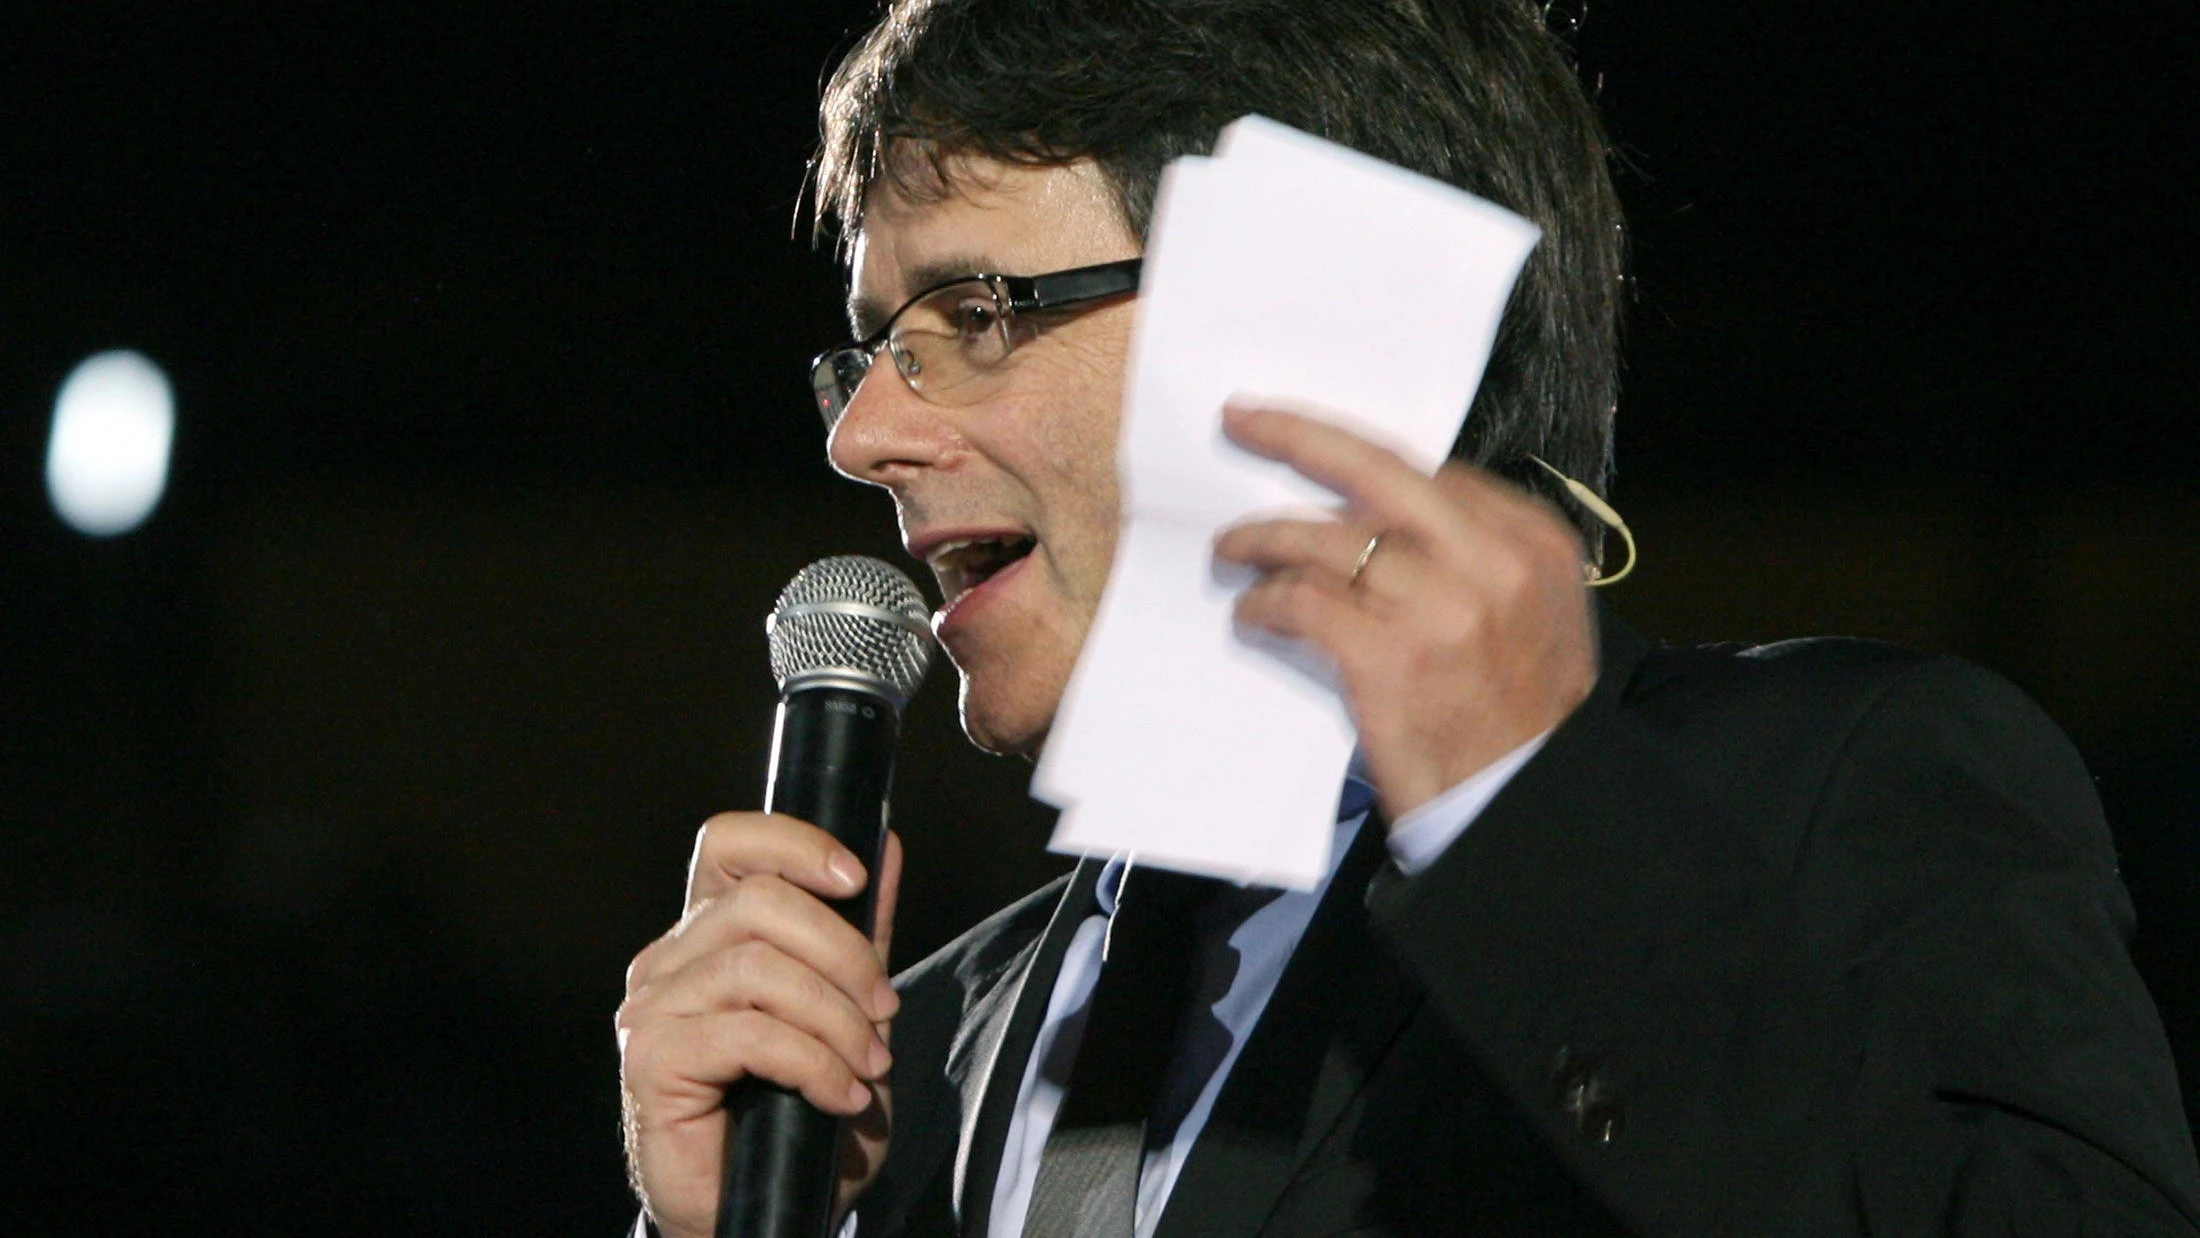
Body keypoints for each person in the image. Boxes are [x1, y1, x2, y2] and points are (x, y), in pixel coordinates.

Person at [615, 0, 2200, 1234]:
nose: (861, 436)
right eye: (871, 346)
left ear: (1305, 313)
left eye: (970, 317)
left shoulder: (1834, 791)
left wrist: (1528, 820)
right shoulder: (907, 1062)